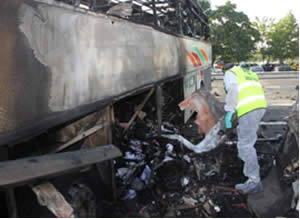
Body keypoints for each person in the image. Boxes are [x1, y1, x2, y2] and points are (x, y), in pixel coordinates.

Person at [222, 63, 267, 194]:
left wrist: (229, 111)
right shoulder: (248, 73)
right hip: (259, 106)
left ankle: (254, 182)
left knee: (245, 145)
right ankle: (249, 169)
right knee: (247, 141)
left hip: (249, 108)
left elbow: (233, 90)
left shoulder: (230, 73)